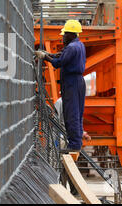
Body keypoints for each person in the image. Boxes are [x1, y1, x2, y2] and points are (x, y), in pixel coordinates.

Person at [36, 20, 91, 152]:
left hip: (71, 83)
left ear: (71, 34)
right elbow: (61, 56)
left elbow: (58, 62)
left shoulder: (72, 48)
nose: (63, 37)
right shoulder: (78, 45)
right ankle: (75, 143)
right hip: (77, 82)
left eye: (64, 34)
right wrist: (49, 54)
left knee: (71, 113)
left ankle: (73, 145)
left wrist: (44, 57)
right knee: (77, 113)